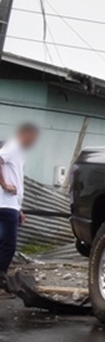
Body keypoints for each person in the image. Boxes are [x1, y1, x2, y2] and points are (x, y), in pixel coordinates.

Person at [0, 123, 40, 289]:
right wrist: (4, 184)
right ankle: (0, 277)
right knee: (9, 244)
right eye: (32, 136)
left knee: (4, 243)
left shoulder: (20, 151)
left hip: (11, 206)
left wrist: (19, 208)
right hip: (5, 205)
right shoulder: (14, 145)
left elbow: (16, 179)